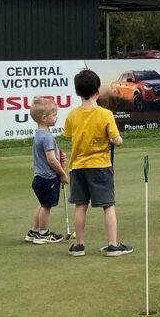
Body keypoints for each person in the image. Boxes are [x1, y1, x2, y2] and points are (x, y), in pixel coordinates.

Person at [63, 69, 132, 257]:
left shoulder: (72, 115)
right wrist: (114, 140)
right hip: (100, 165)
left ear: (77, 91)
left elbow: (69, 135)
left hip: (77, 166)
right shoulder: (105, 114)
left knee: (80, 205)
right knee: (108, 205)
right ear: (97, 91)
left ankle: (79, 245)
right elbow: (117, 140)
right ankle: (112, 244)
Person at [24, 96, 69, 244]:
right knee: (46, 206)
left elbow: (51, 156)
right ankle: (43, 233)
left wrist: (58, 156)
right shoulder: (47, 136)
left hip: (38, 178)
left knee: (43, 204)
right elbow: (50, 159)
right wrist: (62, 174)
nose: (56, 117)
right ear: (44, 117)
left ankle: (35, 231)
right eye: (54, 114)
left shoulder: (39, 134)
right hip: (47, 178)